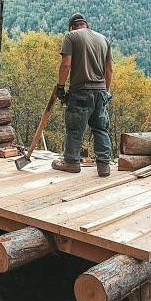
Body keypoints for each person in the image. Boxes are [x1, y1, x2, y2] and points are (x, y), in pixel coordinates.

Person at [51, 12, 113, 177]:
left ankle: (71, 162)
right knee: (100, 129)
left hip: (81, 91)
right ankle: (104, 166)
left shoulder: (71, 36)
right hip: (100, 92)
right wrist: (106, 91)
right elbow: (109, 69)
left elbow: (66, 64)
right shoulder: (103, 39)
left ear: (72, 26)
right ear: (86, 24)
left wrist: (60, 87)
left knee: (74, 129)